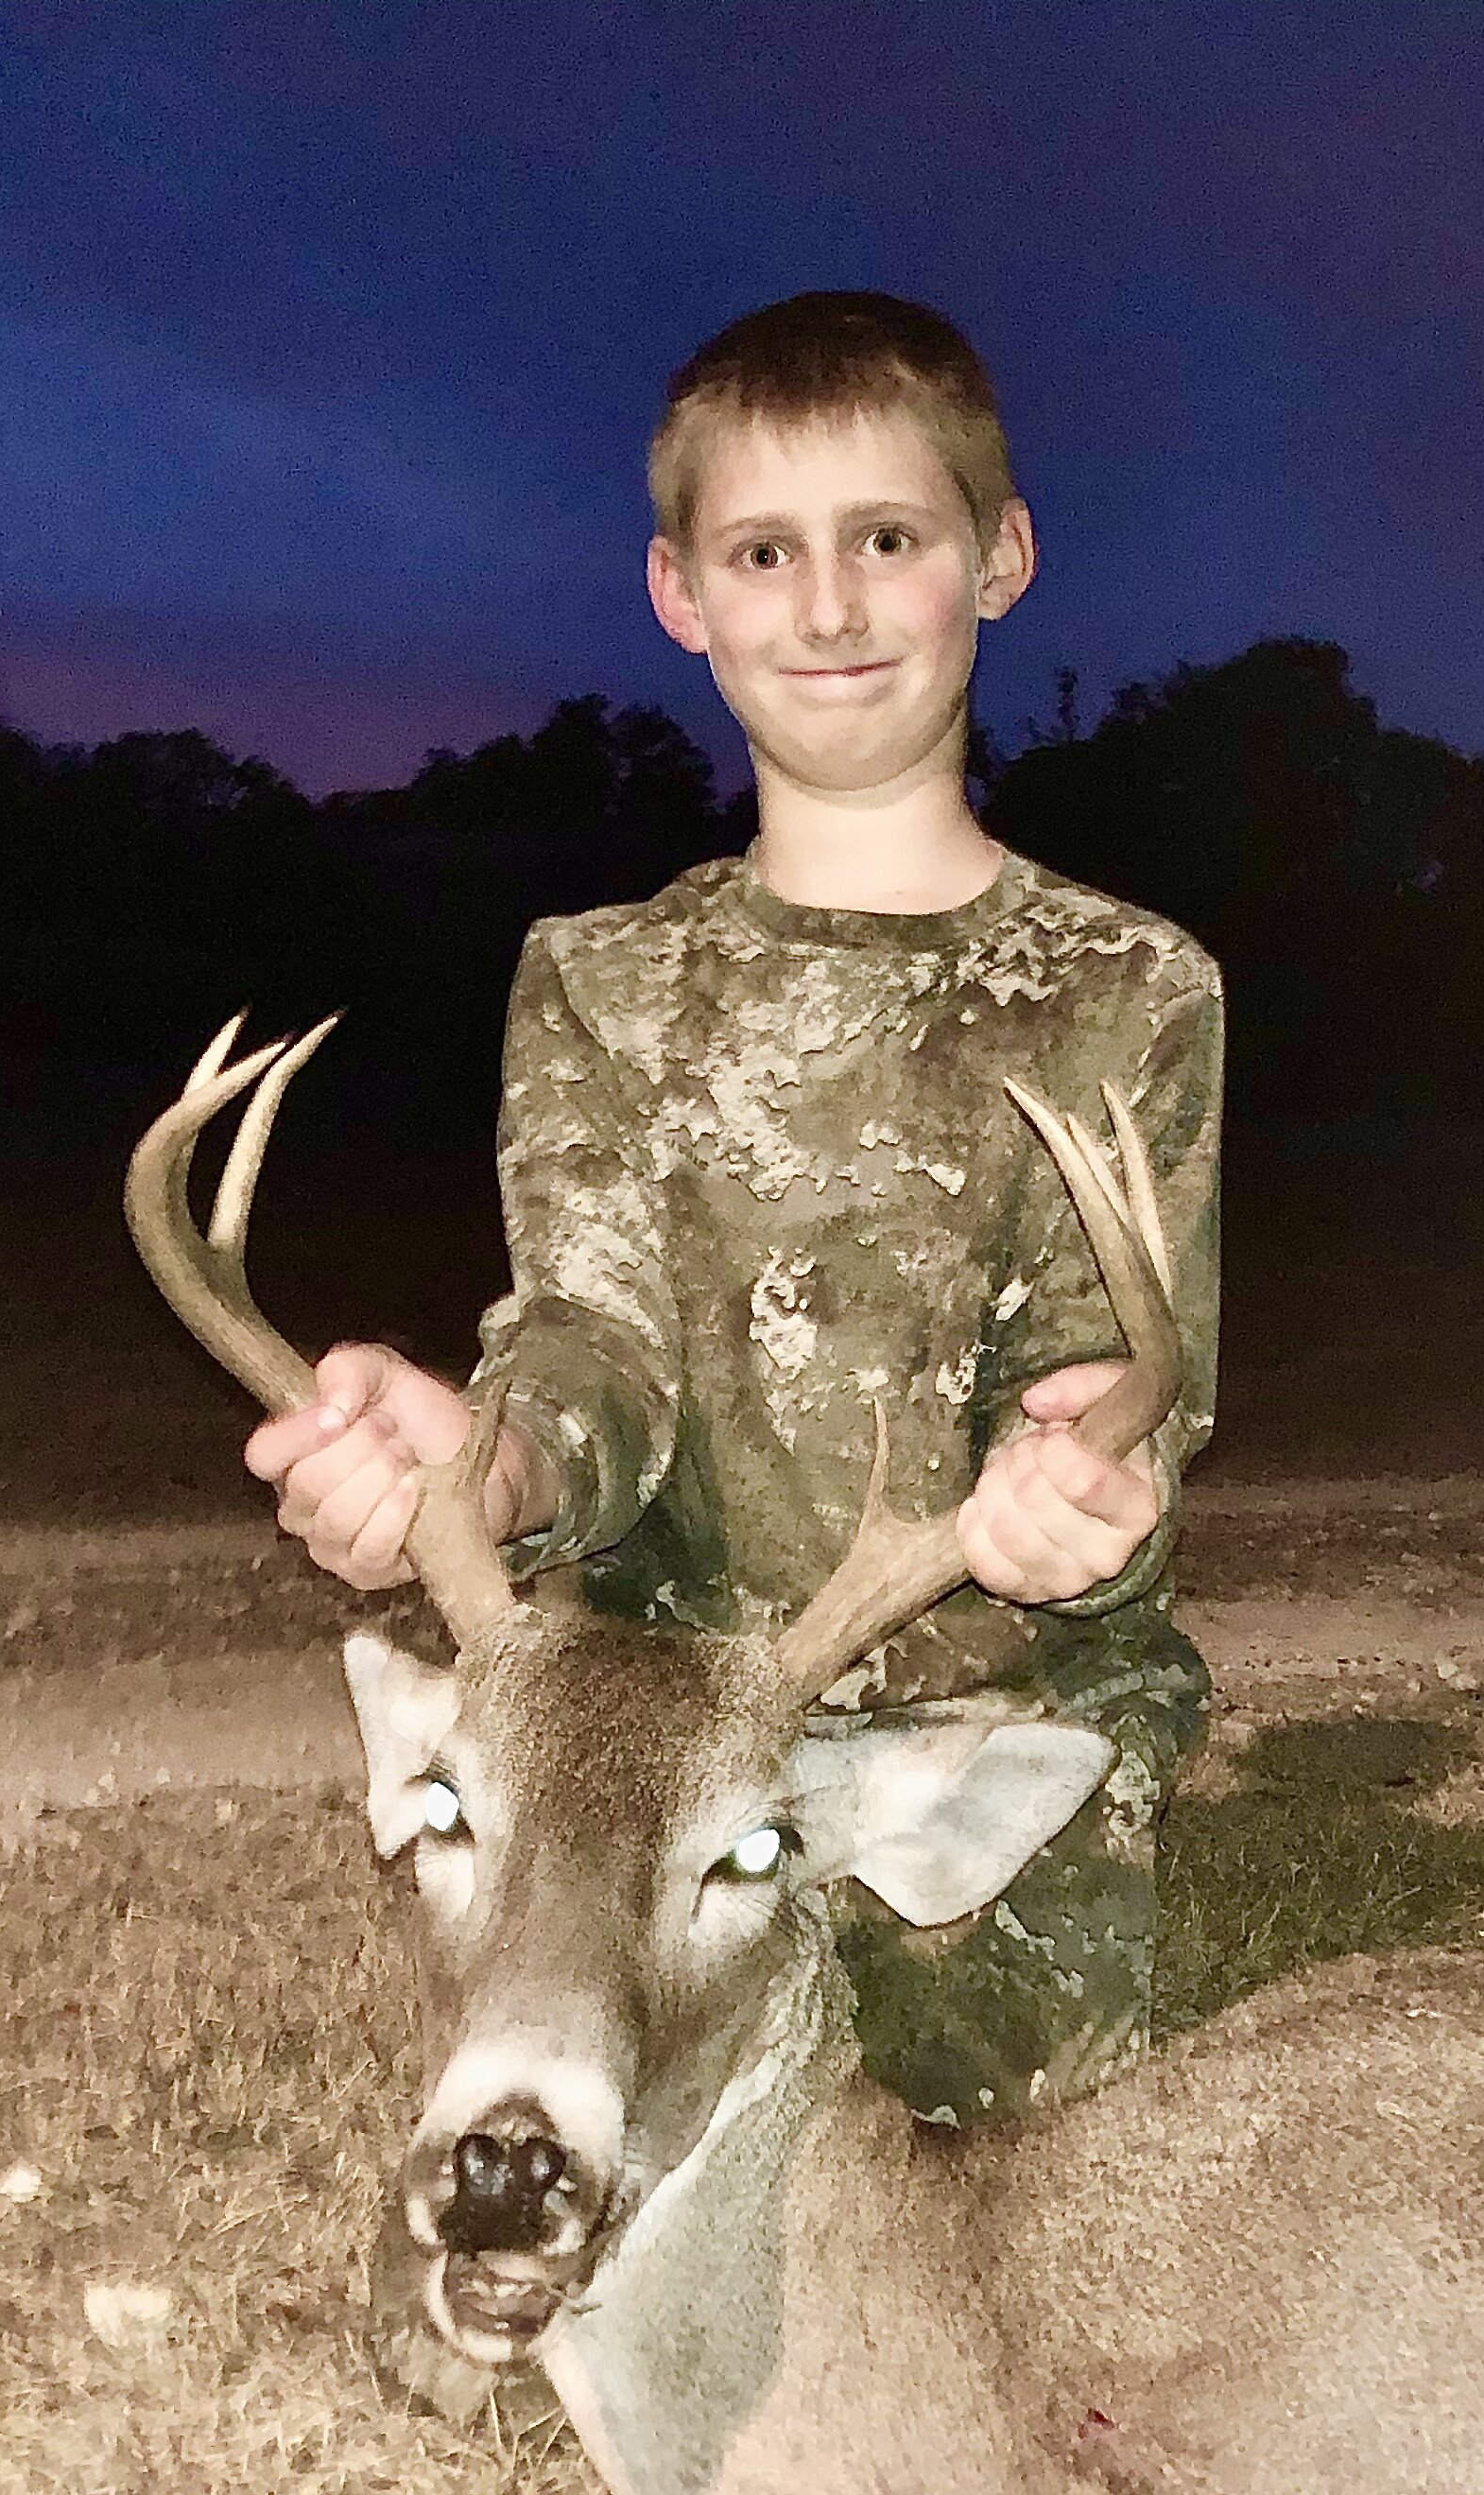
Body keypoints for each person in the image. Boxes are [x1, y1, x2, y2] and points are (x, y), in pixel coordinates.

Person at [246, 290, 1222, 2138]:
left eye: (889, 541)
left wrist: (1084, 1489)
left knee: (979, 2194)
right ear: (682, 593)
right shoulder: (601, 983)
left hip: (969, 1721)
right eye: (766, 552)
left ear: (997, 560)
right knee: (536, 2187)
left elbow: (1132, 1379)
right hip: (646, 1739)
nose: (832, 606)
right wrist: (494, 1465)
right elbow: (591, 1336)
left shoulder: (1131, 986)